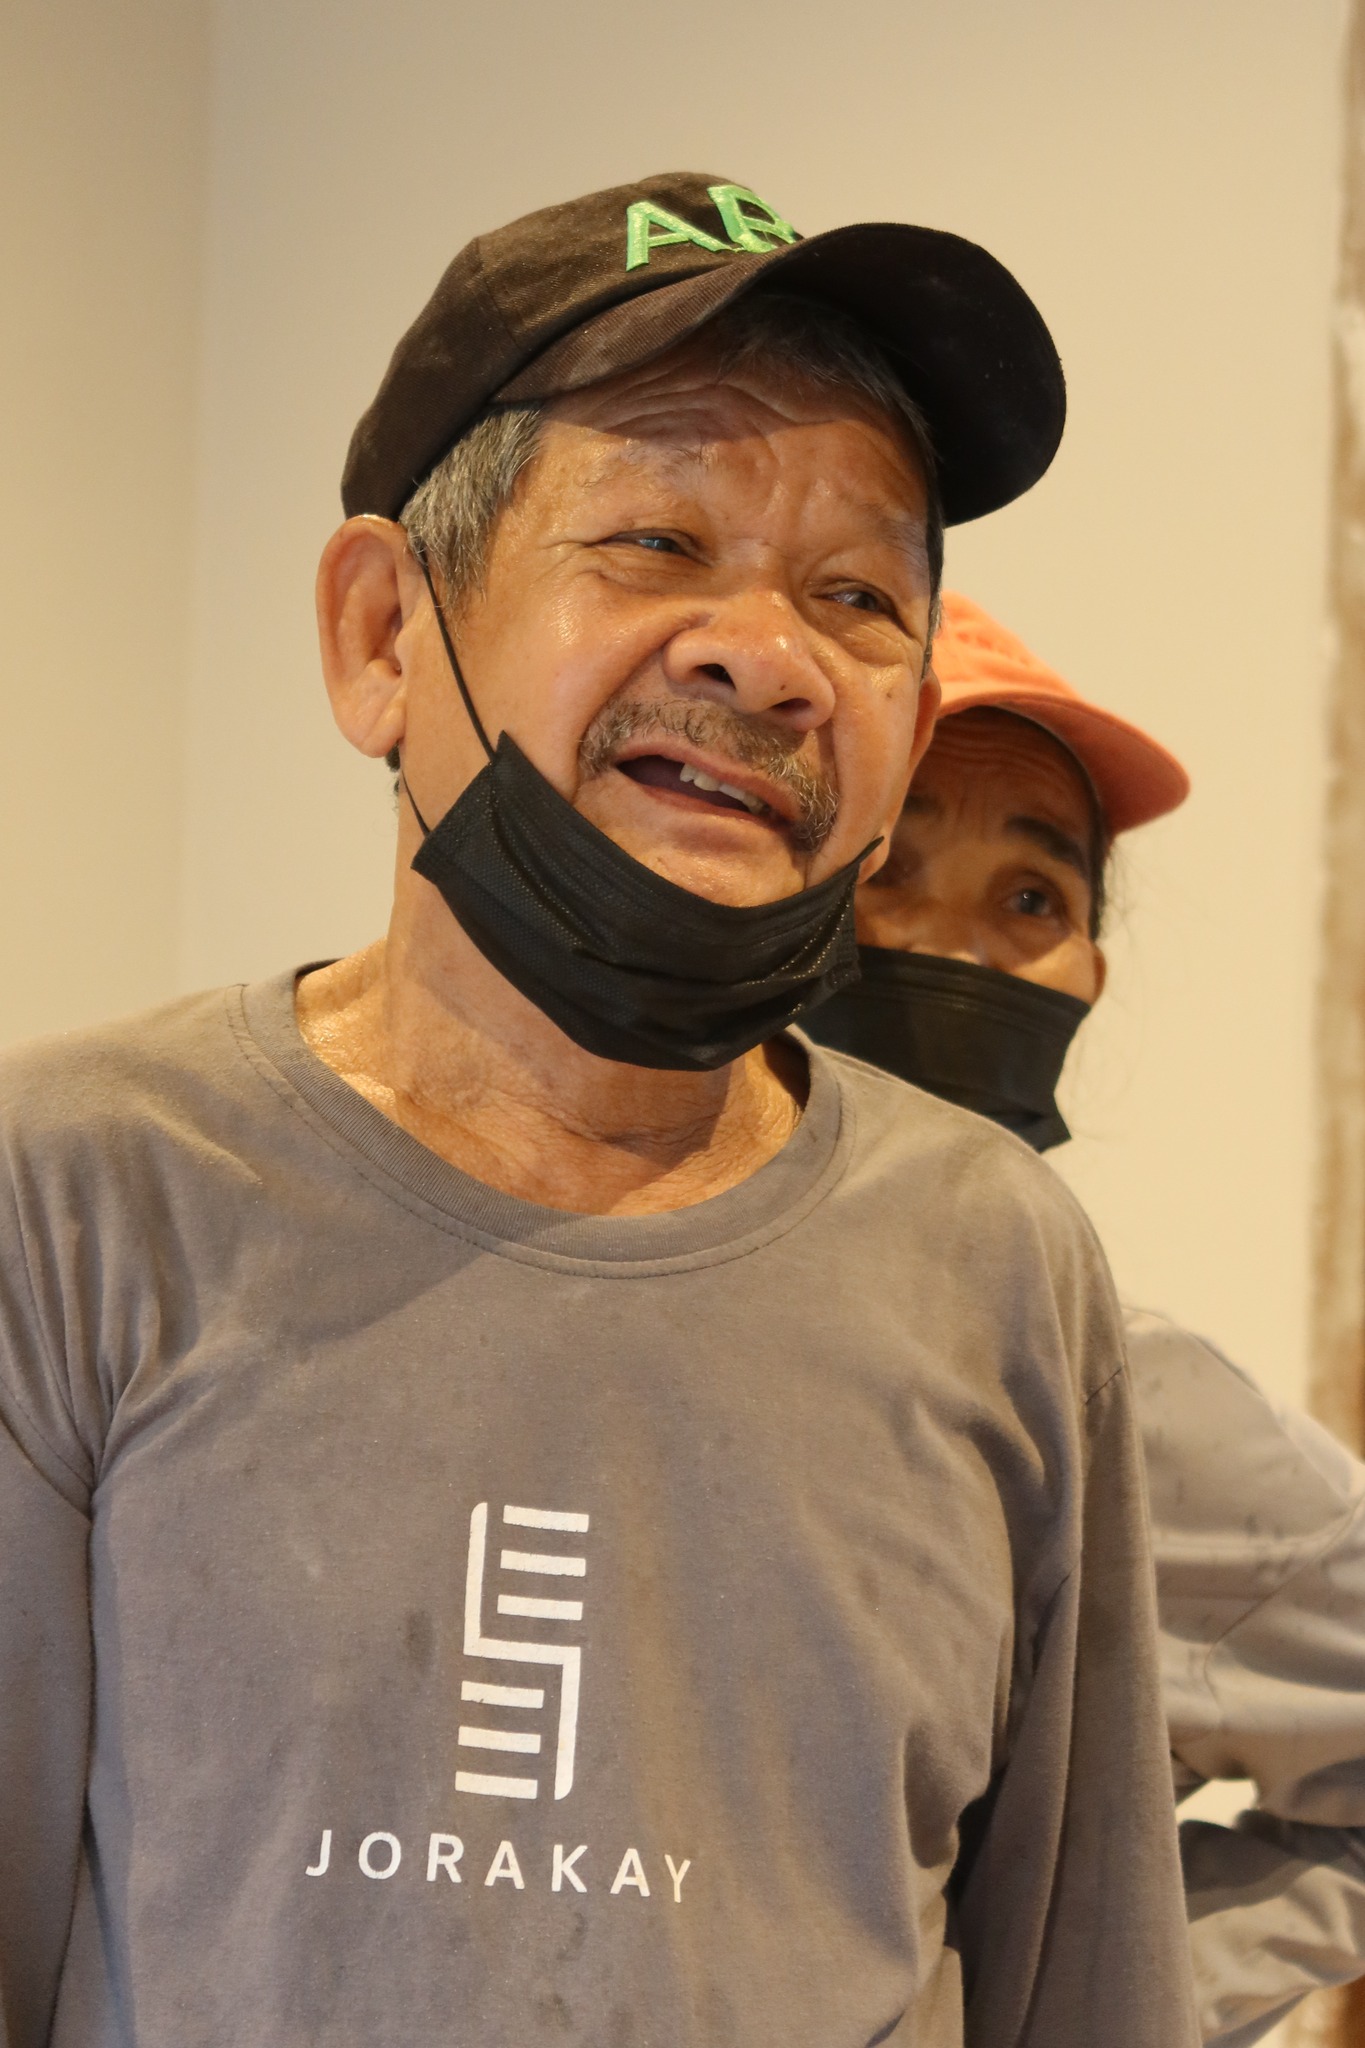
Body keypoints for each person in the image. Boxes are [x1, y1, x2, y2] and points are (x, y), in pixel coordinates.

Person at [0, 176, 1197, 2046]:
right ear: (384, 635)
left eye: (856, 597)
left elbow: (1086, 1984)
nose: (764, 658)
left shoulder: (993, 1267)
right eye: (655, 540)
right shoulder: (83, 1192)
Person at [805, 588, 1365, 2048]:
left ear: (1084, 983)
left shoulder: (1130, 1408)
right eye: (886, 867)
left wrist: (1097, 1998)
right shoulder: (577, 1304)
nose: (953, 949)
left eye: (1030, 901)